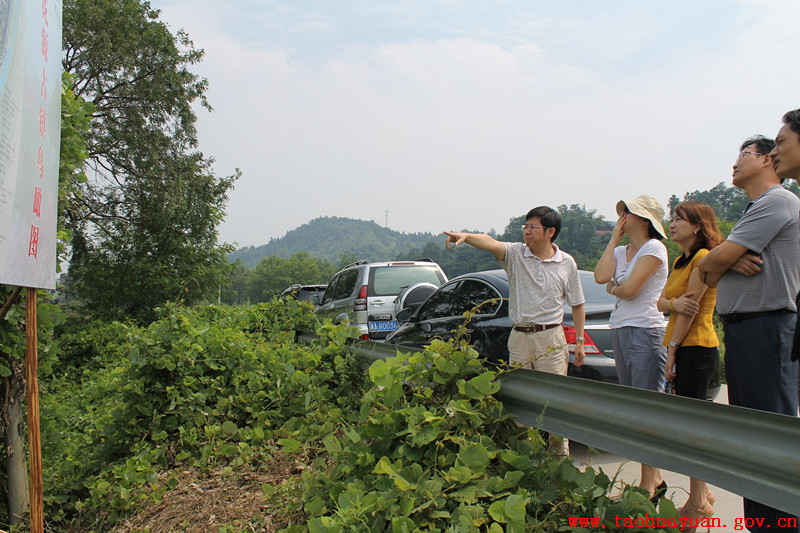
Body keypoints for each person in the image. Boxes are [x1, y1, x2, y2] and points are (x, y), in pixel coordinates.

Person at [697, 135, 800, 533]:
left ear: (768, 161)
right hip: (745, 331)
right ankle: (761, 522)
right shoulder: (753, 209)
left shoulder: (777, 201)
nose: (735, 163)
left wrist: (725, 258)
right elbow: (708, 267)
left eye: (744, 155)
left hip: (766, 328)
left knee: (767, 439)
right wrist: (727, 259)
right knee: (749, 438)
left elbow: (714, 262)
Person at [444, 206, 586, 456]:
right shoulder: (516, 254)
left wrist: (581, 340)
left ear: (550, 232)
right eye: (526, 226)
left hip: (551, 337)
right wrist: (465, 236)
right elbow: (489, 242)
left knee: (555, 402)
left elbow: (577, 302)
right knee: (520, 402)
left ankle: (558, 459)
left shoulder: (566, 263)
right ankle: (525, 459)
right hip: (519, 336)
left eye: (533, 227)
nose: (527, 232)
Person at [593, 194, 669, 504]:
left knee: (646, 410)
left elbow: (631, 289)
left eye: (629, 212)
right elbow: (600, 277)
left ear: (644, 220)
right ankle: (655, 480)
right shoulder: (624, 251)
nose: (622, 216)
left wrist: (615, 288)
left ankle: (649, 484)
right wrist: (613, 239)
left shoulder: (654, 248)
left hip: (646, 331)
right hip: (622, 329)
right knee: (633, 409)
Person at [657, 201, 723, 527]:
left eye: (679, 219)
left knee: (692, 428)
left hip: (695, 348)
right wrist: (672, 303)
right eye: (672, 218)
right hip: (684, 347)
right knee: (687, 425)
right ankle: (704, 492)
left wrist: (671, 351)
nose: (672, 224)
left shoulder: (700, 258)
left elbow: (690, 309)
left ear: (697, 226)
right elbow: (662, 302)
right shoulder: (681, 261)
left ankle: (697, 503)